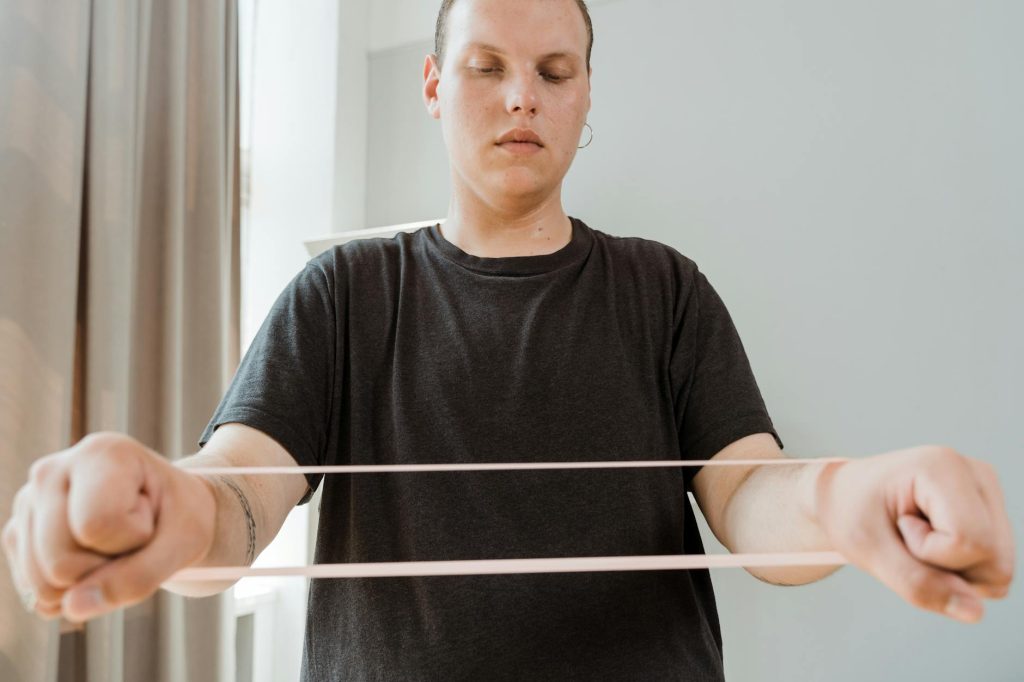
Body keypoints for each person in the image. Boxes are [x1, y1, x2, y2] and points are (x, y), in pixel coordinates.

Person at [3, 0, 1015, 680]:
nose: (522, 95)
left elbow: (752, 495)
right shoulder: (342, 294)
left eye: (553, 70)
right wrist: (164, 507)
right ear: (437, 86)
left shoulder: (663, 288)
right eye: (487, 67)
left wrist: (852, 500)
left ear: (584, 97)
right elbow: (236, 497)